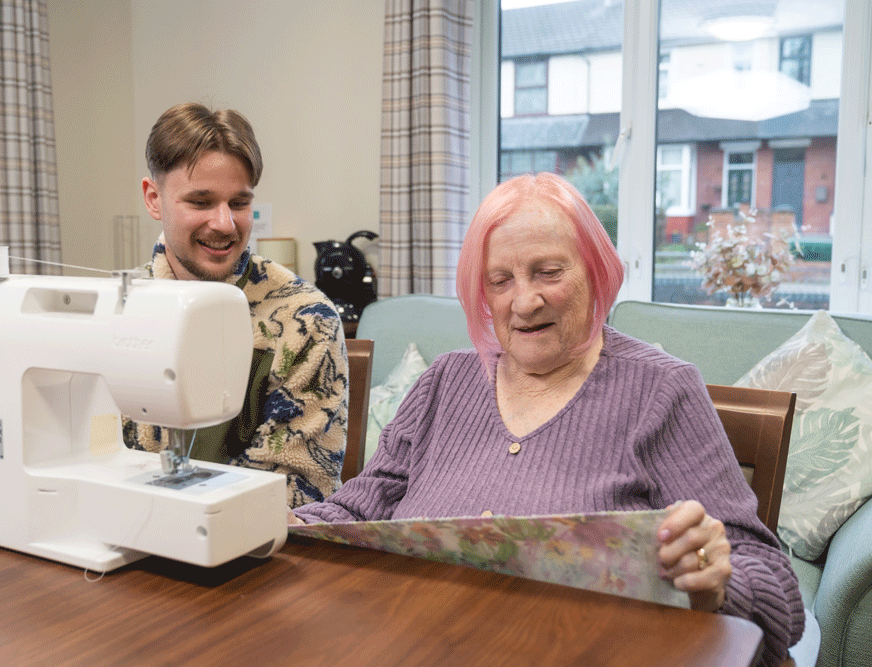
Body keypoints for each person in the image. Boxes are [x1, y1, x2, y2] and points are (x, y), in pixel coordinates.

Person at [291, 172, 804, 666]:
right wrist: (288, 523)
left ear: (595, 271)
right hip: (415, 643)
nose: (525, 301)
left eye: (548, 272)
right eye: (501, 280)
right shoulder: (444, 382)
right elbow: (357, 513)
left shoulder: (662, 391)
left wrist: (719, 582)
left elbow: (776, 587)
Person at [124, 102, 348, 508]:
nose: (225, 224)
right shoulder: (116, 310)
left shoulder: (305, 319)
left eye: (240, 203)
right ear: (153, 198)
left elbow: (297, 489)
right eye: (201, 202)